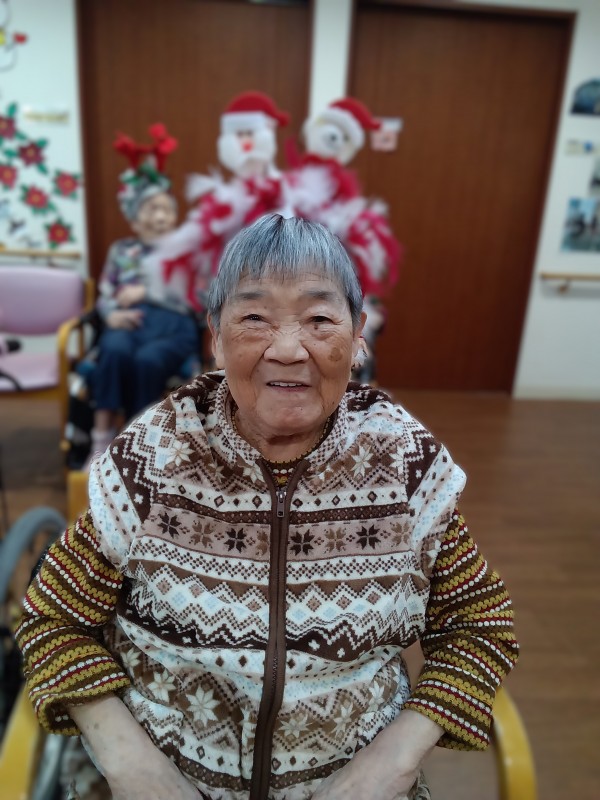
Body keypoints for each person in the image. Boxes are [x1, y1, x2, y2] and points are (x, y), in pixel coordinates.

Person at [16, 214, 519, 800]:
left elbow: (479, 627)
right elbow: (52, 620)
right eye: (254, 318)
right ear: (215, 334)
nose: (286, 350)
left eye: (319, 319)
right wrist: (128, 761)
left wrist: (395, 759)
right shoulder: (154, 458)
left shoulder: (404, 465)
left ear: (358, 333)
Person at [87, 123, 201, 463]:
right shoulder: (121, 250)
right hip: (130, 323)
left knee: (147, 361)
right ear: (135, 220)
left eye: (167, 209)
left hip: (174, 327)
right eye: (151, 210)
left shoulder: (186, 253)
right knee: (113, 349)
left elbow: (200, 299)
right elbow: (106, 292)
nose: (161, 216)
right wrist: (111, 314)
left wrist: (147, 291)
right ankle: (100, 438)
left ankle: (137, 442)